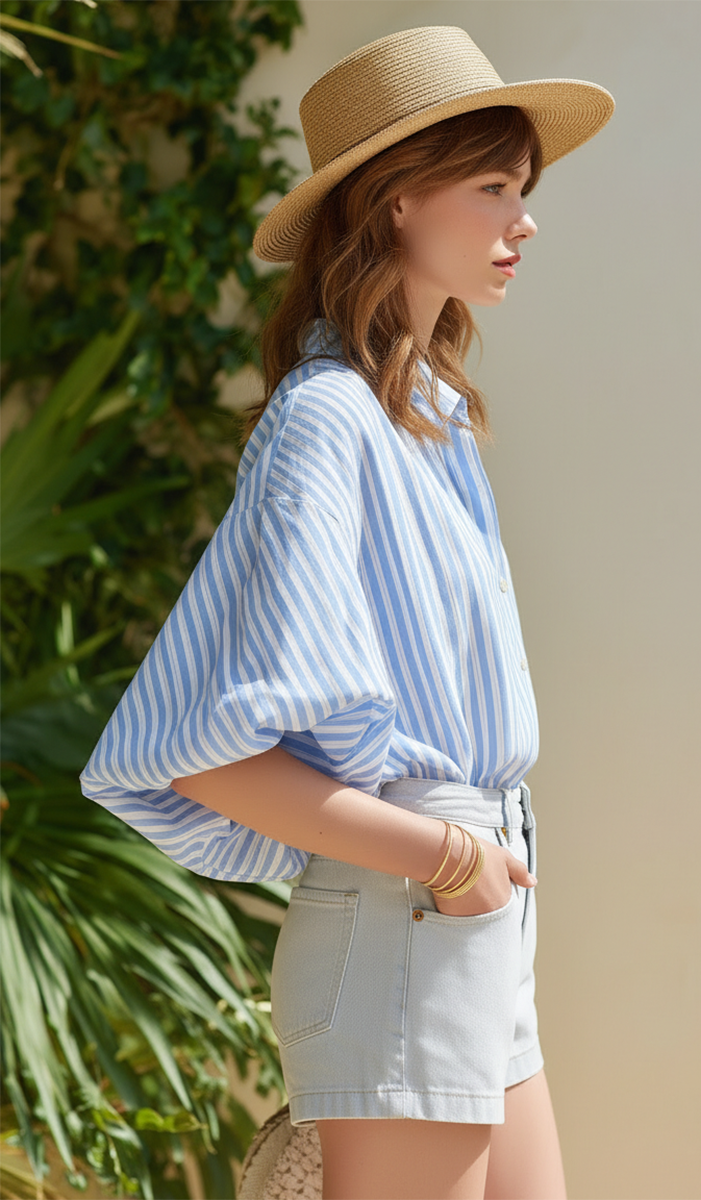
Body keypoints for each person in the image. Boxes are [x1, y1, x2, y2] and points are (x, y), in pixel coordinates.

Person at [81, 26, 614, 1200]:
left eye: (523, 190)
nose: (523, 221)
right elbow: (203, 757)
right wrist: (451, 854)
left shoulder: (427, 414)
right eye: (492, 189)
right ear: (395, 201)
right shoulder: (328, 423)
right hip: (413, 914)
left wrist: (479, 865)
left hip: (467, 920)